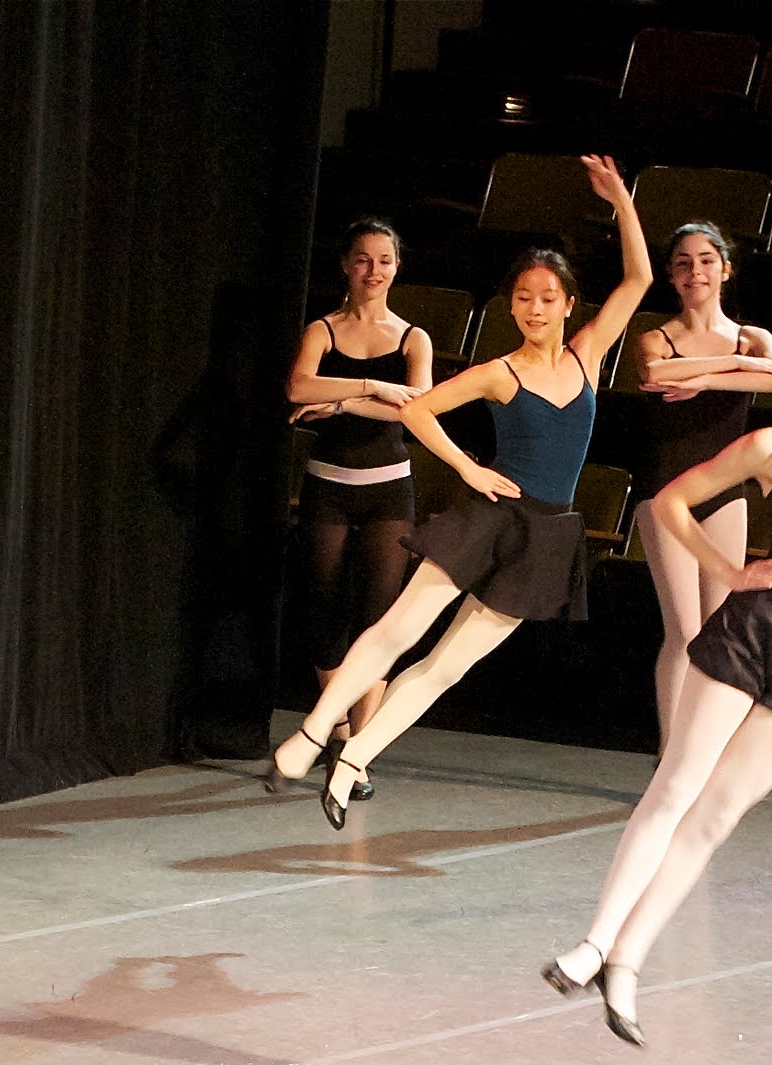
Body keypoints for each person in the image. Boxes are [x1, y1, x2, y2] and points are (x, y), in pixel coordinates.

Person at [541, 163, 772, 1047]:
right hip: (755, 629)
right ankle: (595, 942)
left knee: (719, 814)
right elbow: (669, 503)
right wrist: (730, 566)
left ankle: (629, 964)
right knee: (676, 784)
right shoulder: (767, 443)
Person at [262, 155, 652, 829]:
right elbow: (417, 410)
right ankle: (312, 730)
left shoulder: (588, 356)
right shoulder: (500, 371)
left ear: (568, 304)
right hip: (489, 520)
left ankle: (356, 755)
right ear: (511, 305)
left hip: (545, 534)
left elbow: (640, 277)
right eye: (524, 298)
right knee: (395, 632)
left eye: (548, 298)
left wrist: (622, 201)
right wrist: (468, 469)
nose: (535, 308)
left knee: (447, 667)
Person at [283, 219, 433, 800]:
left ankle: (357, 752)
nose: (374, 271)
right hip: (328, 486)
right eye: (363, 260)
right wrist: (370, 387)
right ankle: (338, 728)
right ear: (346, 265)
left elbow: (415, 410)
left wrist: (341, 397)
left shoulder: (412, 338)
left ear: (398, 266)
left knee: (379, 620)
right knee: (323, 613)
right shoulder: (322, 329)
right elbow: (297, 389)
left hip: (388, 491)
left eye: (385, 260)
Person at [631, 221, 772, 759]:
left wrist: (706, 376)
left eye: (705, 260)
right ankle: (672, 755)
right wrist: (738, 366)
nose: (695, 271)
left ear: (725, 267)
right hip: (666, 490)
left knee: (719, 632)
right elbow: (655, 372)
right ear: (672, 277)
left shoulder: (753, 336)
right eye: (683, 263)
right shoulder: (659, 336)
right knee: (683, 629)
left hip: (726, 491)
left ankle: (703, 753)